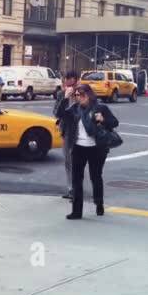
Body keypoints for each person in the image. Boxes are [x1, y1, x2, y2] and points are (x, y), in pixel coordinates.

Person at [56, 83, 119, 220]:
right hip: (78, 147)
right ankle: (77, 211)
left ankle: (99, 203)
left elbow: (114, 122)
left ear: (89, 94)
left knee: (95, 177)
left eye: (82, 94)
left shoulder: (100, 108)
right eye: (77, 95)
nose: (79, 97)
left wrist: (104, 119)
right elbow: (59, 114)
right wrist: (65, 98)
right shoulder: (74, 109)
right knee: (76, 180)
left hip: (96, 148)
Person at [53, 70, 79, 200]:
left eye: (72, 84)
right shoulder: (61, 95)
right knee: (68, 162)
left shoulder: (82, 94)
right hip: (66, 132)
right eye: (65, 82)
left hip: (79, 133)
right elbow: (57, 113)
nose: (68, 86)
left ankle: (76, 190)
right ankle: (71, 189)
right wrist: (65, 98)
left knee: (77, 162)